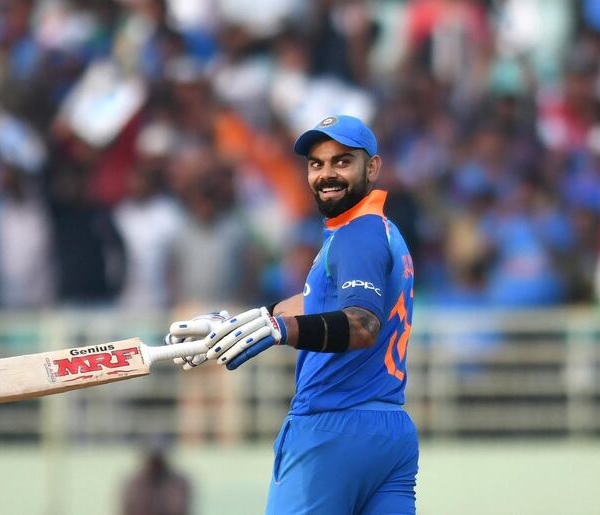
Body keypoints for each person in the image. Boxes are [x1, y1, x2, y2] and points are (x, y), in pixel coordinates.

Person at [166, 115, 418, 514]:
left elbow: (362, 324)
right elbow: (315, 302)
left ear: (372, 167)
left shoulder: (357, 233)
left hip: (331, 428)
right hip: (390, 431)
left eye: (341, 162)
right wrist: (247, 320)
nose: (326, 174)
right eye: (316, 164)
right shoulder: (383, 231)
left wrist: (279, 330)